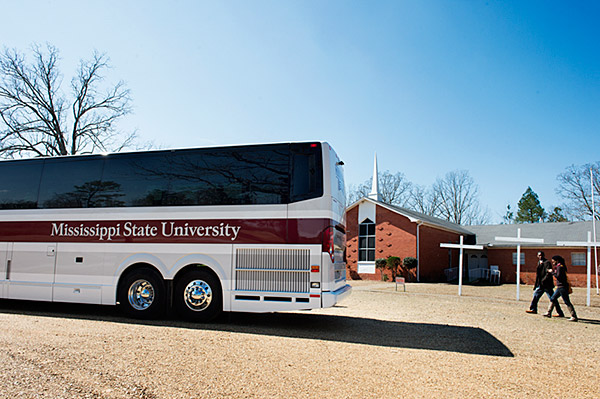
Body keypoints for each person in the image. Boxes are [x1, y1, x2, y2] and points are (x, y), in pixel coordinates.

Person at [526, 251, 564, 316]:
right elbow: (538, 273)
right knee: (535, 296)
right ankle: (533, 309)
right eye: (539, 255)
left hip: (546, 284)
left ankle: (559, 312)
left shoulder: (547, 263)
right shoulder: (539, 263)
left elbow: (548, 273)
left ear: (543, 255)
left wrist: (543, 280)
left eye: (541, 255)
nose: (540, 257)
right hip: (540, 284)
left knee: (552, 298)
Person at [544, 255, 578, 322]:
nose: (553, 263)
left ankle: (574, 316)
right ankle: (548, 312)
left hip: (562, 287)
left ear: (557, 261)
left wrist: (551, 272)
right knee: (553, 298)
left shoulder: (560, 267)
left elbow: (558, 276)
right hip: (560, 287)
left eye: (553, 261)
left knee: (566, 301)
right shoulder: (559, 267)